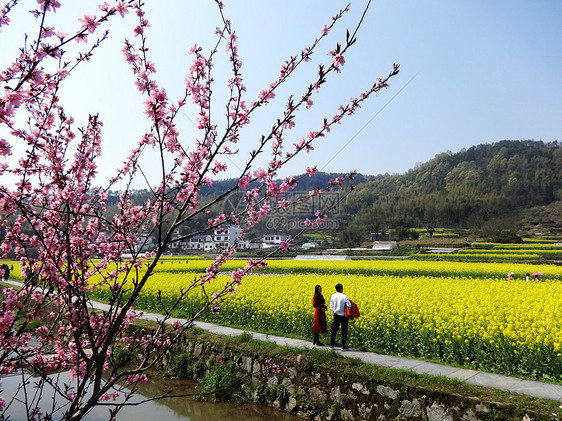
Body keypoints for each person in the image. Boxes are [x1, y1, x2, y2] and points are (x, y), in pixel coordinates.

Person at [330, 283, 351, 350]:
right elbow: (349, 305)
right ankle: (343, 346)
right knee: (344, 330)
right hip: (343, 315)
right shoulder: (344, 296)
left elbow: (331, 306)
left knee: (334, 330)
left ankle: (332, 345)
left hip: (336, 315)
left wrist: (334, 313)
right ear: (341, 289)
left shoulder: (333, 296)